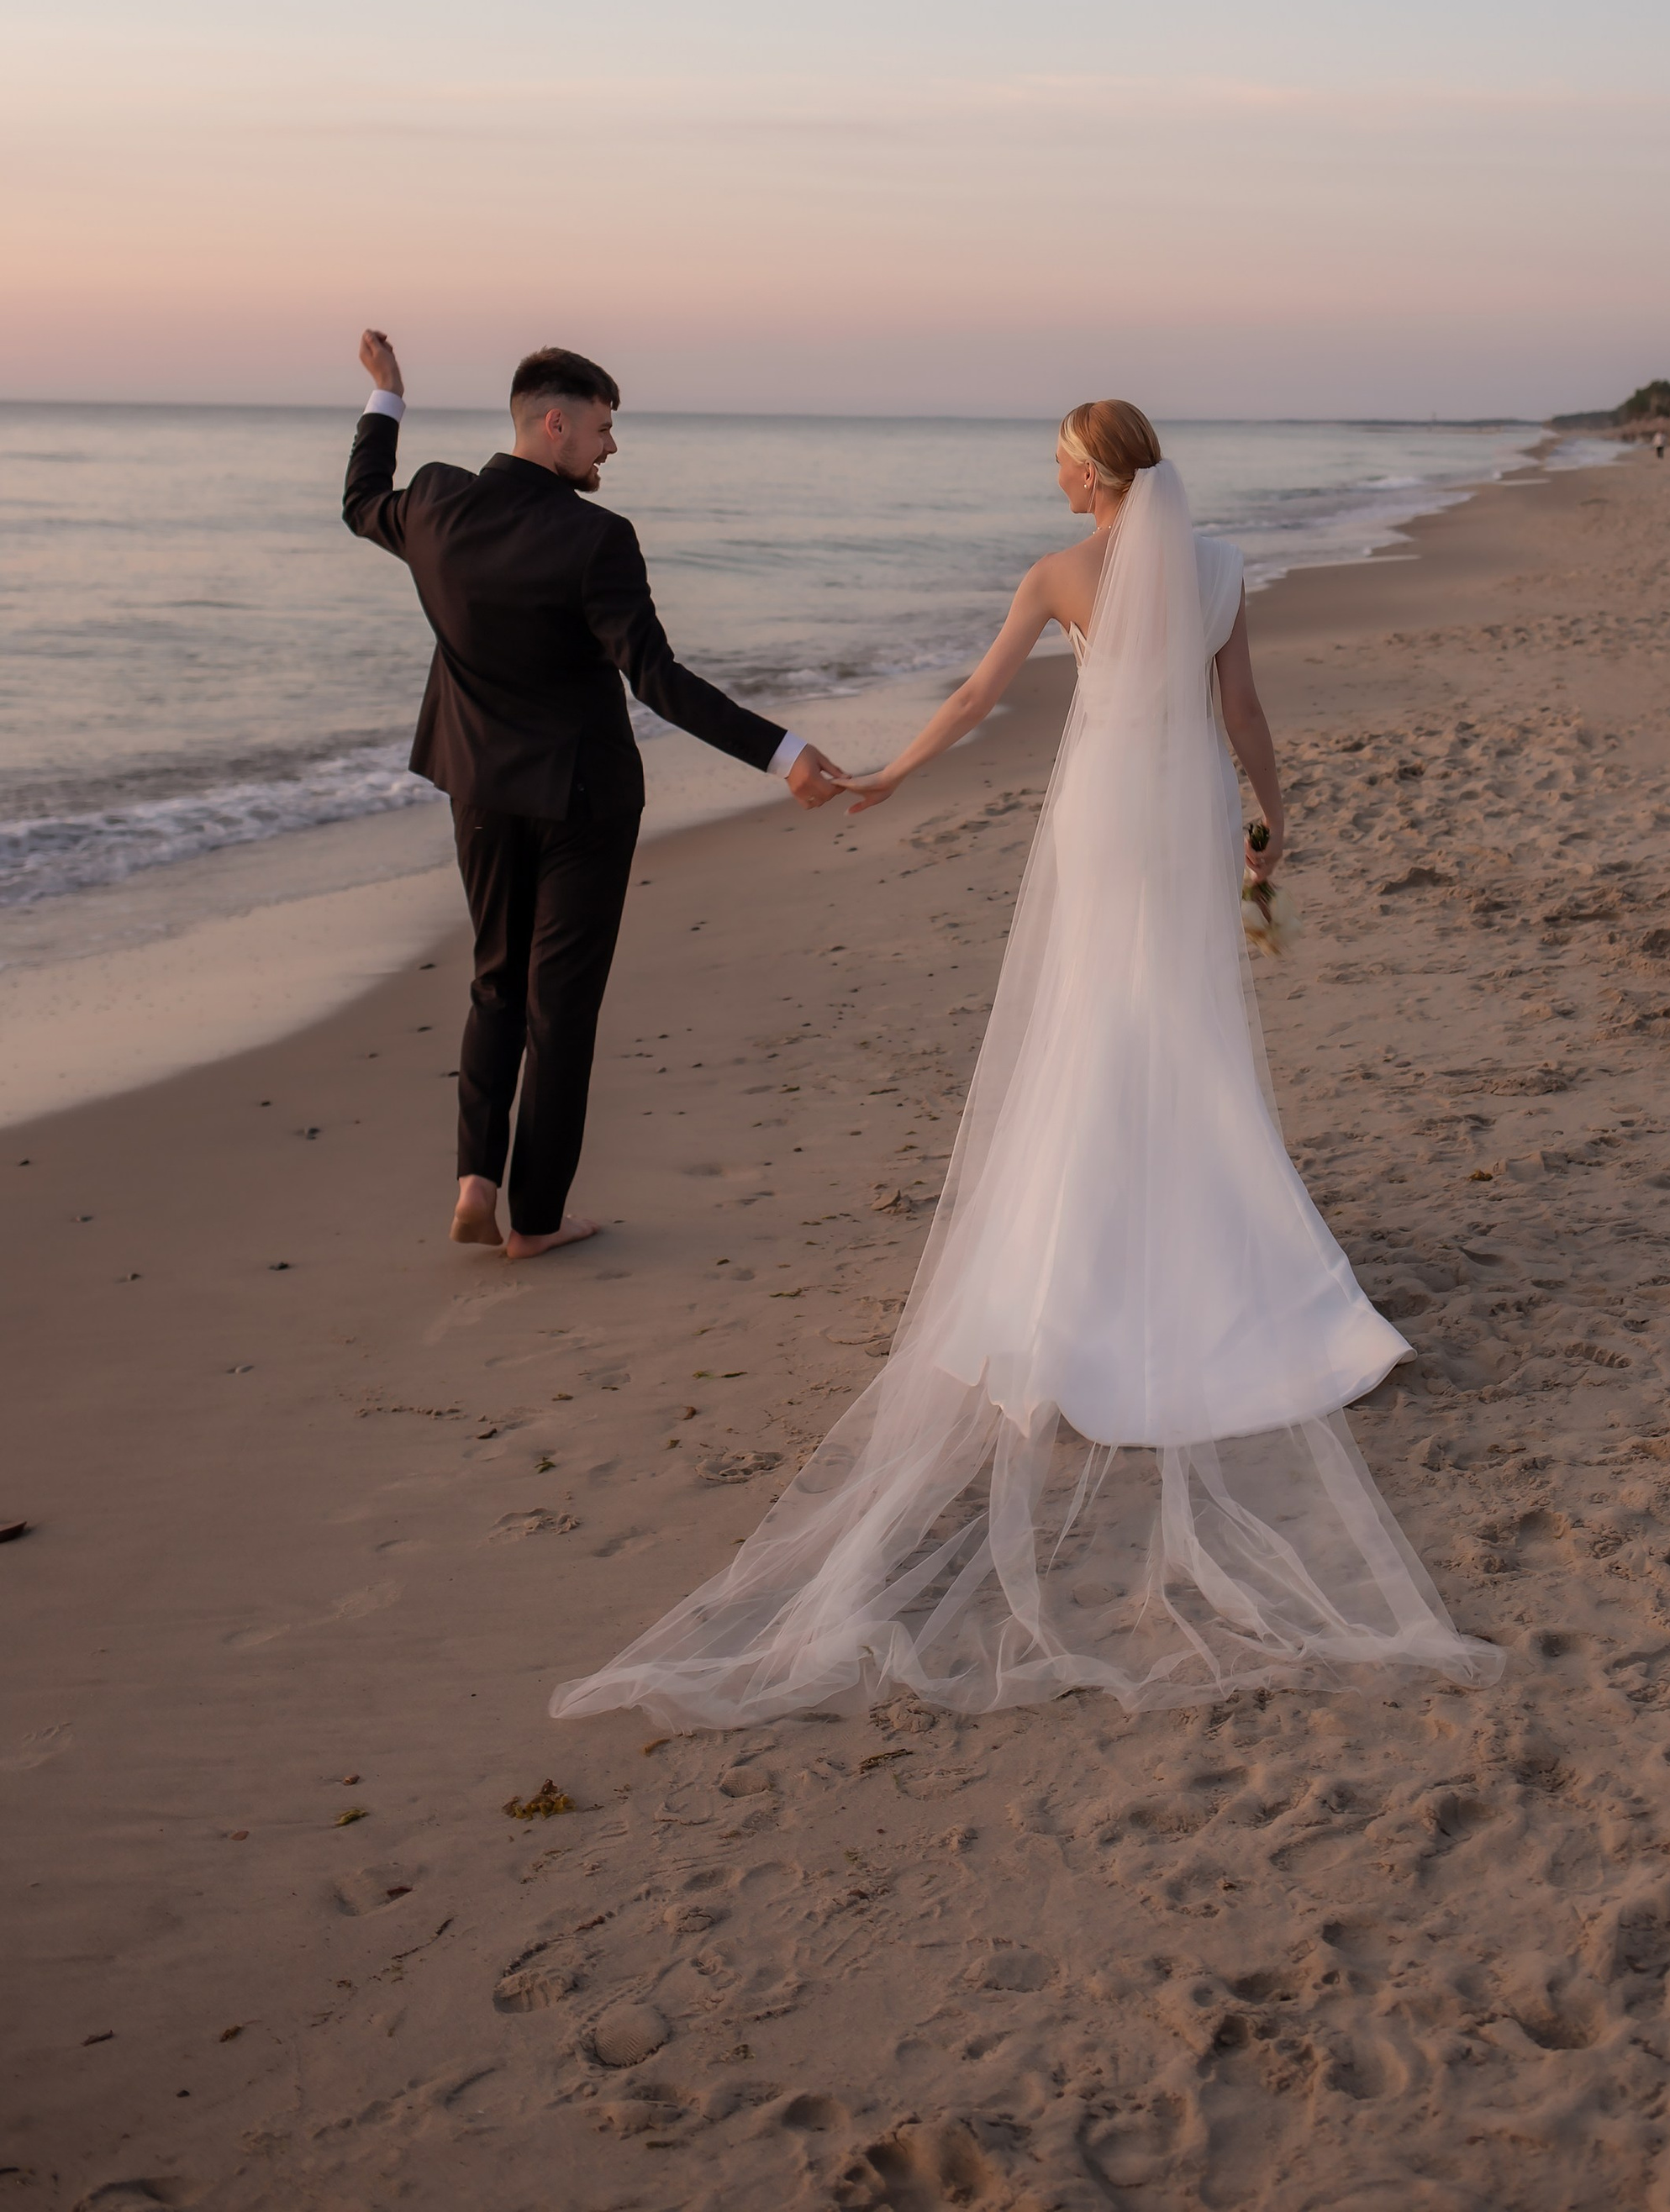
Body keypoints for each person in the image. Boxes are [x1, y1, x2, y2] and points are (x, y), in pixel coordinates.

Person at [553, 400, 1500, 1724]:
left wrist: (887, 774)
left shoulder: (1062, 575)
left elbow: (982, 696)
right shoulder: (1221, 567)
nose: (1048, 475)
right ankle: (1218, 1255)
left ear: (1092, 472)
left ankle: (1083, 1271)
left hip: (1108, 815)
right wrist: (1274, 816)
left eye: (1057, 458)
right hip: (1184, 814)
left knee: (1091, 1022)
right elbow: (1243, 708)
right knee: (1175, 1025)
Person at [342, 334, 848, 1259]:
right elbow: (655, 679)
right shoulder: (594, 538)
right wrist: (782, 754)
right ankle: (534, 1219)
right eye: (604, 430)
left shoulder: (437, 504)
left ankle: (473, 1178)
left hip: (479, 789)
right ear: (556, 422)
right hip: (584, 799)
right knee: (559, 1008)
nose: (610, 449)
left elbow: (357, 503)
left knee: (495, 980)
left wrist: (388, 398)